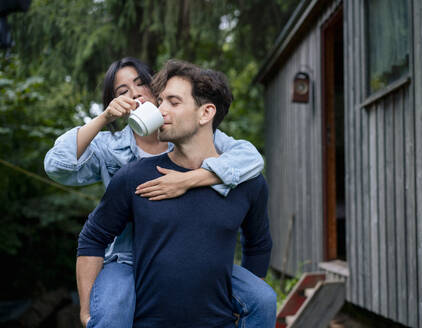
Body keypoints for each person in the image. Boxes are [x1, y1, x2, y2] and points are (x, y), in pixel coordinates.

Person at [44, 57, 276, 328]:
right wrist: (105, 116)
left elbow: (249, 159)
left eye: (142, 84)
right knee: (111, 311)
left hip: (200, 264)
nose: (134, 93)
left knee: (262, 298)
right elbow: (57, 165)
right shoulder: (118, 153)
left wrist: (191, 179)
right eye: (122, 91)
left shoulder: (203, 136)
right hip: (127, 257)